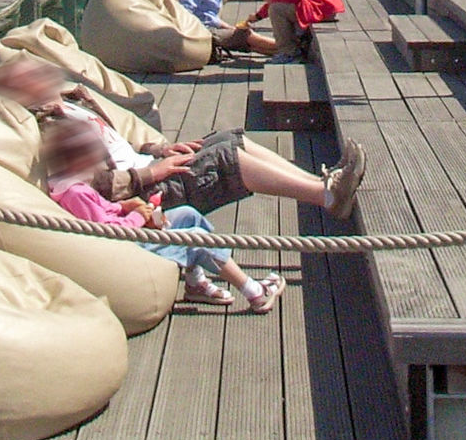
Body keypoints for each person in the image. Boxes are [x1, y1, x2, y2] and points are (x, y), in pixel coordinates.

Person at [0, 55, 366, 217]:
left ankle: (323, 183)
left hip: (147, 164)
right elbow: (97, 185)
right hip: (141, 194)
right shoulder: (52, 126)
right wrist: (155, 171)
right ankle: (326, 196)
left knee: (228, 138)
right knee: (225, 162)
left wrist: (160, 149)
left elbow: (115, 143)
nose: (43, 74)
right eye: (30, 78)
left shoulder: (72, 101)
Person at [42, 117, 286, 312]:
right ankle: (253, 292)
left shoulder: (74, 184)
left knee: (186, 214)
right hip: (127, 245)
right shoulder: (74, 193)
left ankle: (195, 283)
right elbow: (109, 232)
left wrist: (125, 207)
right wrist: (138, 215)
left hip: (129, 229)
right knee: (195, 237)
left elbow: (102, 213)